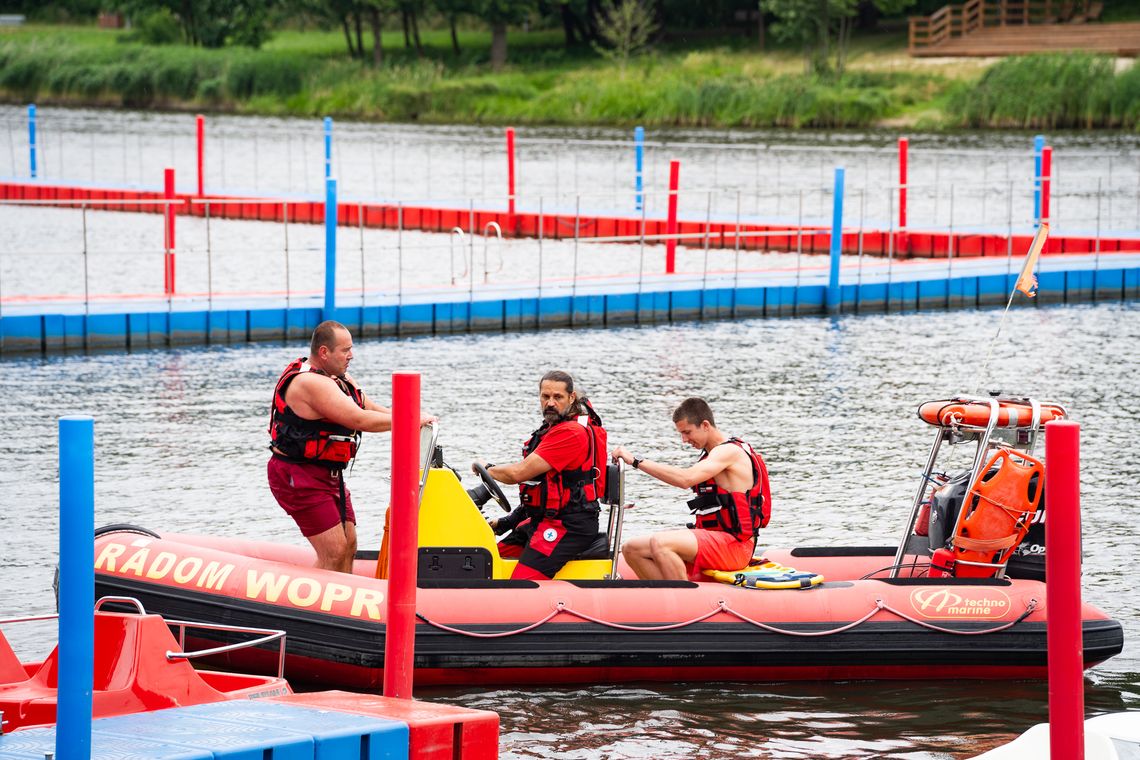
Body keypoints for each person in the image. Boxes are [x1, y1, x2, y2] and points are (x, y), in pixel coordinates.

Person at [267, 320, 433, 573]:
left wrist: (413, 416)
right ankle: (319, 609)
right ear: (324, 352)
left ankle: (342, 604)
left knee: (349, 545)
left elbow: (365, 406)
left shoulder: (337, 377)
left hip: (328, 474)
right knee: (333, 551)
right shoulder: (311, 383)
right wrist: (409, 421)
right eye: (345, 350)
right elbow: (358, 419)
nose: (351, 355)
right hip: (298, 475)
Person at [612, 397, 771, 581]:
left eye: (687, 432)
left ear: (705, 425)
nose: (684, 440)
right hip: (715, 539)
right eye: (681, 434)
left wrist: (636, 461)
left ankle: (683, 602)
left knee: (661, 544)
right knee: (631, 548)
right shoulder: (711, 455)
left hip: (735, 545)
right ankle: (666, 601)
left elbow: (685, 479)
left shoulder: (728, 452)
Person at [475, 371, 607, 580]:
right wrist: (508, 521)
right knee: (484, 561)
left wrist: (486, 468)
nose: (550, 403)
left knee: (522, 582)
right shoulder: (551, 430)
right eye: (545, 397)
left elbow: (518, 474)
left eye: (558, 397)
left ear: (571, 398)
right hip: (543, 520)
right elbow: (541, 486)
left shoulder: (570, 434)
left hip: (569, 526)